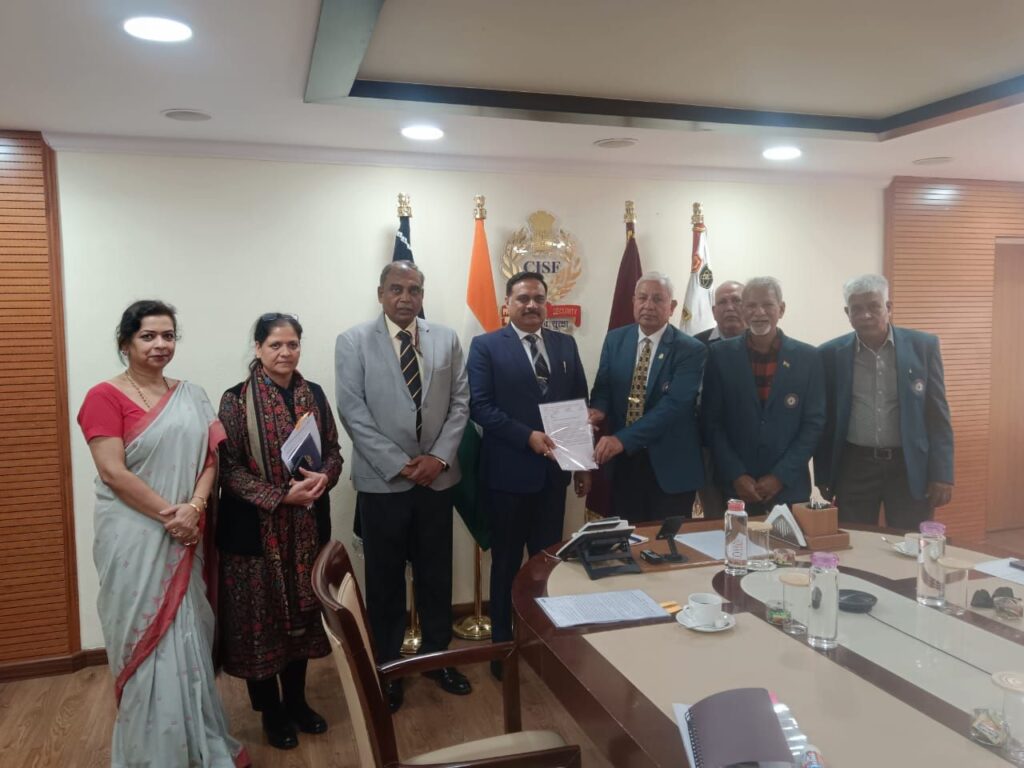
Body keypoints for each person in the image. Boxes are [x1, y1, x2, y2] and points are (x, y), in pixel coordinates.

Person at [77, 300, 249, 768]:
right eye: (148, 336)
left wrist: (194, 509)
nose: (160, 345)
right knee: (144, 637)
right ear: (125, 343)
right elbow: (112, 472)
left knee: (188, 631)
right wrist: (170, 516)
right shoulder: (103, 396)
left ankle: (198, 741)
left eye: (168, 335)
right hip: (133, 535)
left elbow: (211, 459)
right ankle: (154, 753)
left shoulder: (191, 394)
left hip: (185, 531)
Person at [335, 261, 471, 713]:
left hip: (437, 479)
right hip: (383, 483)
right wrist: (400, 464)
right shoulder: (353, 341)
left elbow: (460, 403)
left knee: (436, 575)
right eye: (396, 289)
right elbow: (352, 411)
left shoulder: (446, 339)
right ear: (380, 293)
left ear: (422, 295)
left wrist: (438, 458)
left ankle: (437, 659)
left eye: (414, 290)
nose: (405, 298)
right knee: (385, 579)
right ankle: (389, 668)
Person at [217, 313, 343, 750]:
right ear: (258, 348)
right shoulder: (235, 401)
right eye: (275, 345)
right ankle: (271, 712)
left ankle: (298, 702)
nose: (285, 353)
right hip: (254, 535)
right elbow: (228, 469)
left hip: (306, 529)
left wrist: (325, 476)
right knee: (261, 623)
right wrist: (278, 496)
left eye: (292, 344)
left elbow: (333, 450)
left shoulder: (314, 395)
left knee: (301, 621)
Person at [467, 271, 590, 679]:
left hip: (552, 480)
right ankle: (503, 649)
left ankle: (542, 644)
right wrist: (527, 437)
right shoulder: (486, 346)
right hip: (507, 478)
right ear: (508, 304)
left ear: (547, 303)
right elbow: (480, 406)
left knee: (546, 566)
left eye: (539, 298)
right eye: (523, 298)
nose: (532, 305)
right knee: (505, 565)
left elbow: (578, 404)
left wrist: (580, 464)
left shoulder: (565, 345)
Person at [814, 274, 954, 529]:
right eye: (857, 309)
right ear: (847, 313)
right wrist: (823, 475)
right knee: (854, 538)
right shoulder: (829, 354)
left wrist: (942, 473)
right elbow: (825, 421)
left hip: (908, 465)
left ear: (888, 307)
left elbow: (938, 415)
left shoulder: (923, 347)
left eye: (873, 306)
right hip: (854, 465)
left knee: (910, 540)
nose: (865, 315)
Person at [589, 271, 706, 523]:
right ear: (633, 301)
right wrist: (598, 409)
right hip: (624, 466)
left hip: (670, 468)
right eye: (642, 298)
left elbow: (673, 406)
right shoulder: (615, 339)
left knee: (667, 543)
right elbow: (604, 388)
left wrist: (621, 439)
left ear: (672, 306)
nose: (648, 305)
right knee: (628, 539)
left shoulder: (691, 349)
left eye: (657, 299)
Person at [702, 277, 825, 513]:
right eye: (751, 305)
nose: (759, 312)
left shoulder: (808, 358)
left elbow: (814, 424)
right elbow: (712, 423)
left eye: (767, 304)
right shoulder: (719, 356)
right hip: (735, 488)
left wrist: (780, 476)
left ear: (782, 309)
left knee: (790, 541)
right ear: (743, 310)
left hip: (789, 487)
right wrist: (736, 474)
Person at [694, 280, 746, 518]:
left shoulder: (763, 345)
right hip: (707, 450)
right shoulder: (694, 346)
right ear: (714, 311)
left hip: (751, 450)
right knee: (715, 519)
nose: (730, 307)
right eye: (723, 302)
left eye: (737, 300)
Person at [694, 280, 746, 346]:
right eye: (722, 302)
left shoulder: (758, 340)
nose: (729, 308)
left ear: (749, 308)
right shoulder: (696, 344)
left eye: (736, 301)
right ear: (714, 312)